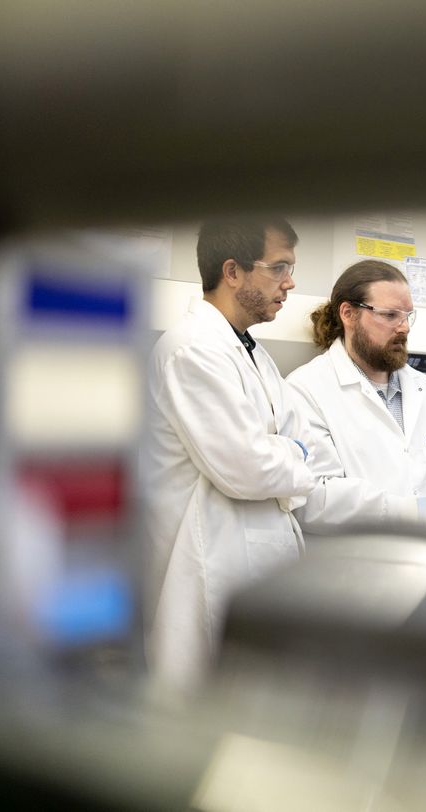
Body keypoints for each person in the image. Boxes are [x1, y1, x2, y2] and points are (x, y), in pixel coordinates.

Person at [145, 217, 318, 691]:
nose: (290, 283)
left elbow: (307, 447)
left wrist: (284, 454)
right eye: (279, 267)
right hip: (205, 569)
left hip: (257, 565)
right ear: (233, 271)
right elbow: (248, 469)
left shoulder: (253, 354)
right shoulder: (191, 349)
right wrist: (288, 455)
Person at [287, 260, 426, 531]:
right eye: (390, 315)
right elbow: (312, 499)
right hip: (356, 567)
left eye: (407, 315)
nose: (404, 328)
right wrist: (409, 512)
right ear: (348, 314)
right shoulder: (306, 389)